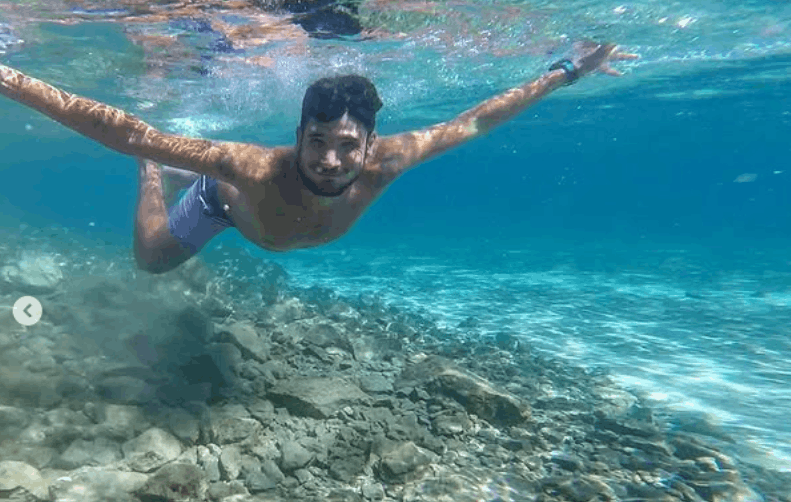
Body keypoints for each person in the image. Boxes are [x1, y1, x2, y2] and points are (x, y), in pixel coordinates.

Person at [0, 41, 637, 274]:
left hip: (268, 227)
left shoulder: (392, 160)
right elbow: (128, 131)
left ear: (369, 144)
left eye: (346, 146)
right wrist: (13, 81)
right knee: (154, 260)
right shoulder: (249, 165)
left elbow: (480, 118)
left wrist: (562, 71)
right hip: (226, 207)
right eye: (317, 143)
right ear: (298, 135)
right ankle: (158, 184)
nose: (331, 161)